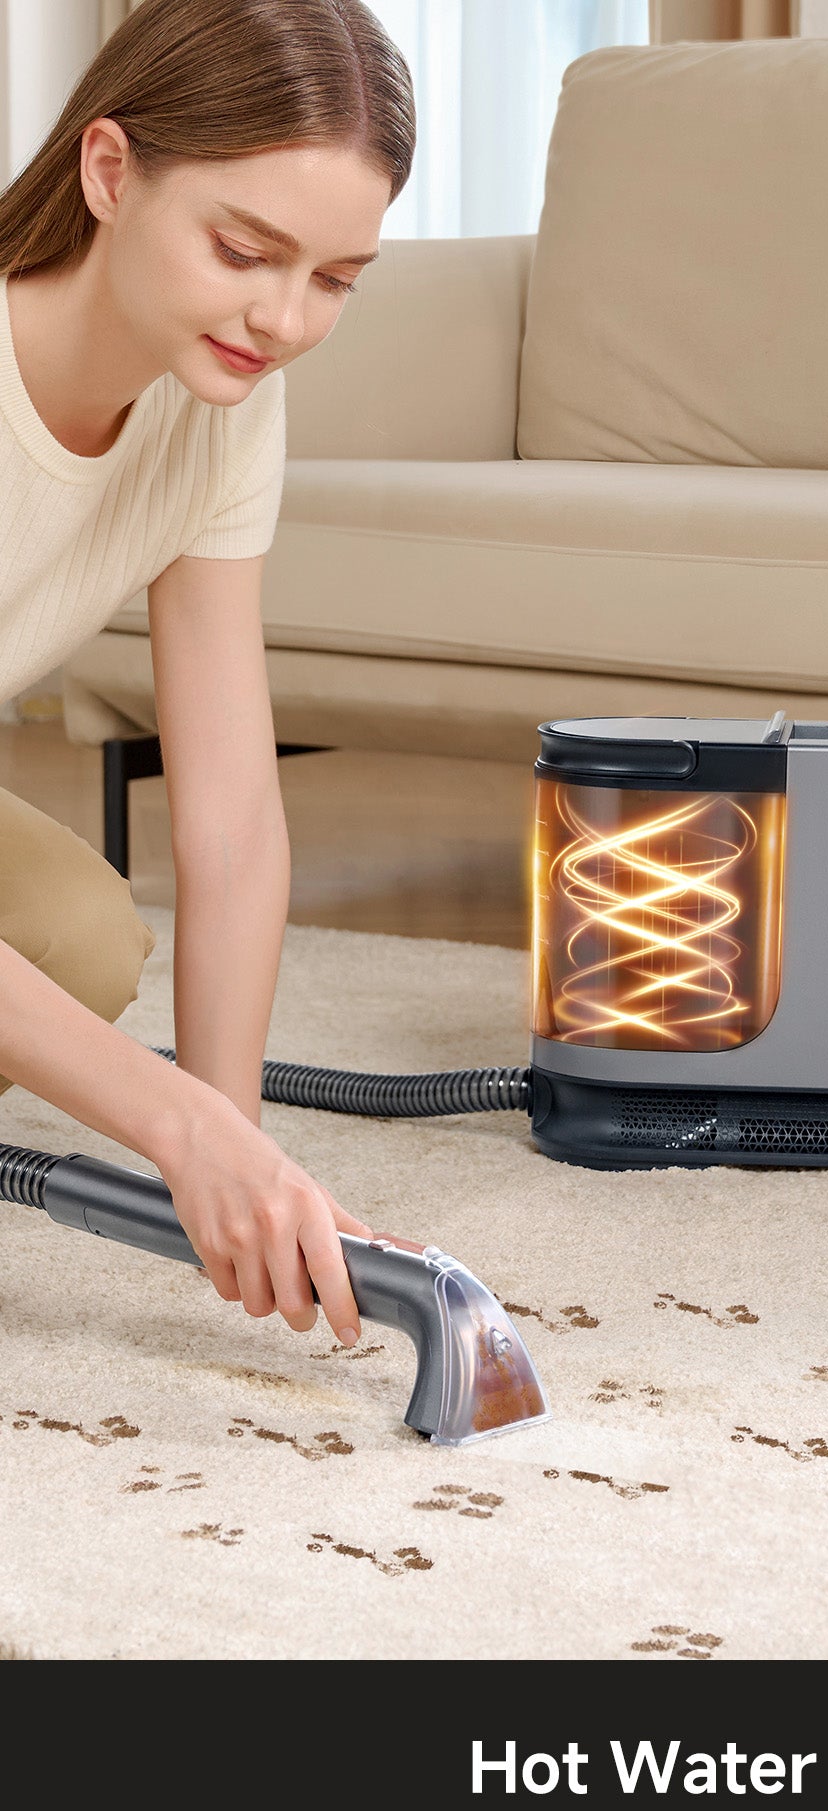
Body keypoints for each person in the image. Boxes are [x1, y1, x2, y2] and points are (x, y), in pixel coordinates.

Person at [0, 0, 415, 1347]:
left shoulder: (218, 397)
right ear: (111, 172)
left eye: (337, 277)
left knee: (75, 942)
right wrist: (172, 1126)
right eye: (245, 250)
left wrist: (235, 1163)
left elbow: (230, 818)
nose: (286, 316)